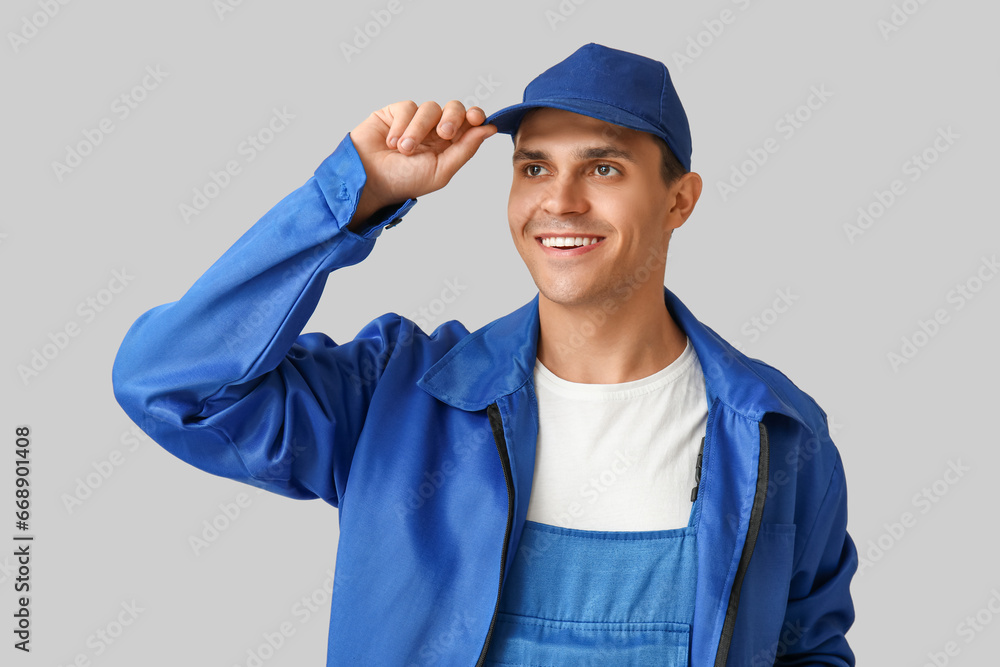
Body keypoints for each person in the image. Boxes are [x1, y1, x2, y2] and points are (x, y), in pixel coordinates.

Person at [113, 43, 857, 665]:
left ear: (679, 201)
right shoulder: (398, 399)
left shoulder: (775, 433)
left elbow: (809, 649)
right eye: (534, 167)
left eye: (603, 169)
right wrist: (352, 195)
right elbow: (169, 382)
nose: (559, 201)